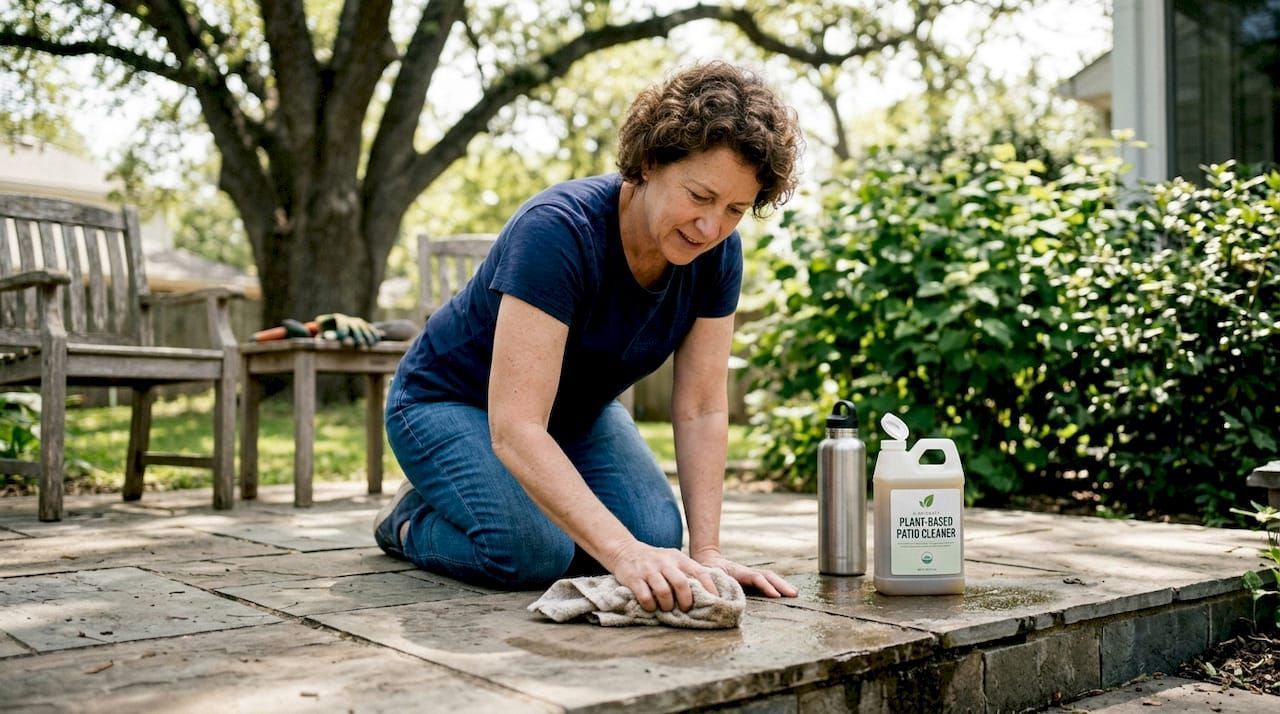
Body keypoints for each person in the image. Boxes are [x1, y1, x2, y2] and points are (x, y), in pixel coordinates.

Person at [376, 61, 802, 613]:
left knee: (656, 535)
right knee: (532, 551)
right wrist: (622, 553)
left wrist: (710, 552)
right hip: (446, 401)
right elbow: (517, 426)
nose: (711, 227)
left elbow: (700, 407)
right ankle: (410, 520)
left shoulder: (718, 254)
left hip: (573, 415)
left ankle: (501, 502)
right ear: (650, 162)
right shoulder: (556, 231)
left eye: (736, 210)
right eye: (700, 196)